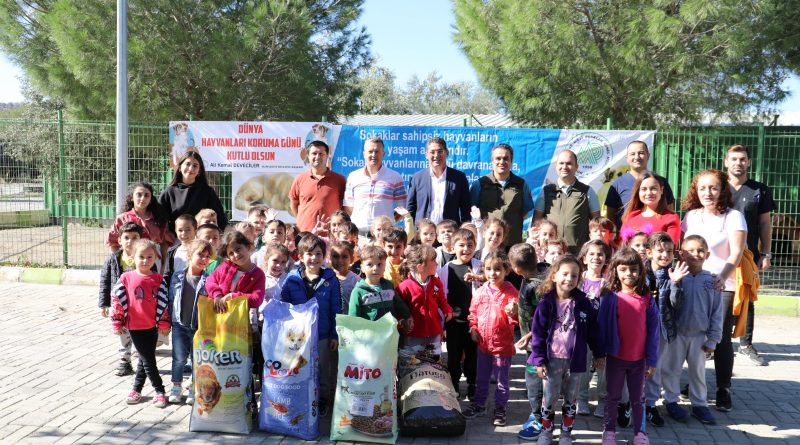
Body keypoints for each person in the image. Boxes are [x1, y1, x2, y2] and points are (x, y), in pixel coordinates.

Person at [681, 169, 747, 412]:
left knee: (719, 337)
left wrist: (723, 277)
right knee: (694, 335)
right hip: (692, 285)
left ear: (722, 190)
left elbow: (737, 252)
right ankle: (695, 383)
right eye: (702, 188)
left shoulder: (734, 217)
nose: (707, 193)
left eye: (713, 188)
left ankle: (723, 388)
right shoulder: (690, 217)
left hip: (722, 286)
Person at [530, 255, 604, 445]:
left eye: (574, 275)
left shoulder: (583, 302)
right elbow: (537, 333)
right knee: (549, 399)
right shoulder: (546, 303)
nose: (569, 279)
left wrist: (599, 353)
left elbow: (593, 330)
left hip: (575, 361)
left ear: (579, 279)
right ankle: (546, 432)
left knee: (571, 399)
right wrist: (539, 359)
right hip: (551, 361)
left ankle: (566, 433)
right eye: (564, 274)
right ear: (554, 275)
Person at [597, 248, 661, 445]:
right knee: (612, 397)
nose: (629, 274)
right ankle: (609, 432)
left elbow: (654, 331)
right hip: (615, 358)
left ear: (640, 271)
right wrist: (600, 353)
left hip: (639, 360)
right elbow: (601, 327)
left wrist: (652, 359)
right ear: (615, 270)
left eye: (633, 269)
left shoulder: (647, 298)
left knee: (638, 398)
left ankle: (640, 433)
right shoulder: (609, 296)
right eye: (623, 269)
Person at [661, 235, 722, 426]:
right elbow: (669, 303)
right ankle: (671, 400)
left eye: (701, 251)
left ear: (707, 255)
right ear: (681, 254)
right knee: (672, 369)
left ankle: (699, 404)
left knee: (698, 372)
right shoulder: (676, 277)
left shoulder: (712, 281)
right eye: (691, 250)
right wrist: (675, 283)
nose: (696, 254)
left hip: (699, 336)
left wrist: (713, 339)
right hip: (677, 334)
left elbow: (717, 312)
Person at [280, 234, 341, 416]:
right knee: (299, 368)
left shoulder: (331, 279)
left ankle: (322, 400)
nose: (314, 258)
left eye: (318, 254)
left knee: (323, 370)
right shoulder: (291, 279)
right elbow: (284, 307)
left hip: (322, 334)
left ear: (324, 256)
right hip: (298, 336)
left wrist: (334, 335)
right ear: (300, 256)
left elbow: (336, 308)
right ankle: (302, 398)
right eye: (309, 254)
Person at [725, 144, 774, 366]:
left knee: (746, 297)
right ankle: (713, 343)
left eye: (742, 159)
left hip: (747, 255)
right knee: (716, 297)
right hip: (719, 254)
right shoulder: (717, 187)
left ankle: (745, 345)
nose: (738, 163)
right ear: (726, 161)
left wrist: (766, 253)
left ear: (749, 162)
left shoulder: (759, 190)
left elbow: (765, 223)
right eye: (734, 159)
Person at [110, 239, 171, 408]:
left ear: (156, 258)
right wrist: (117, 321)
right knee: (148, 360)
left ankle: (136, 390)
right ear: (132, 257)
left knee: (145, 359)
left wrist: (164, 323)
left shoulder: (158, 279)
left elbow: (164, 303)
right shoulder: (126, 278)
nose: (145, 260)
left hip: (152, 326)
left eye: (150, 257)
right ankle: (160, 391)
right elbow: (117, 301)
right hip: (134, 326)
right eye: (141, 256)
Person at [463, 251, 519, 427]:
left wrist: (513, 312)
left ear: (506, 270)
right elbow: (472, 313)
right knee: (481, 377)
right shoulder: (480, 291)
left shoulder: (511, 292)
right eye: (488, 269)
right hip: (483, 344)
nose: (492, 273)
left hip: (502, 345)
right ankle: (479, 404)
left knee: (502, 380)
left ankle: (500, 408)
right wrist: (473, 327)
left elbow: (516, 316)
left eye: (497, 269)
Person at [642, 232, 683, 427]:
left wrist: (675, 283)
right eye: (660, 251)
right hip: (639, 329)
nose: (665, 255)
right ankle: (629, 402)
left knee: (653, 367)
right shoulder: (639, 272)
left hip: (661, 330)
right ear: (649, 252)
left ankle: (650, 404)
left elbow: (676, 304)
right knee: (635, 366)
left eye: (669, 251)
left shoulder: (673, 274)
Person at [437, 229, 483, 400]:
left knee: (472, 356)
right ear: (453, 246)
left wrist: (479, 277)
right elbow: (441, 298)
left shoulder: (479, 266)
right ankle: (454, 383)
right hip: (453, 322)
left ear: (475, 246)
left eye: (470, 245)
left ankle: (472, 384)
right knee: (453, 356)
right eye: (461, 245)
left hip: (474, 321)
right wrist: (442, 324)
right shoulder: (445, 269)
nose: (466, 249)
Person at [166, 239, 211, 404]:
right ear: (190, 255)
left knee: (197, 359)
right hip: (179, 324)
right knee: (179, 358)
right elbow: (171, 299)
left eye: (207, 256)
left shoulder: (208, 280)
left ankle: (194, 387)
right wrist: (167, 322)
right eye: (200, 254)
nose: (204, 259)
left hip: (198, 326)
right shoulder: (178, 276)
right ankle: (176, 386)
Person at [509, 243, 545, 441]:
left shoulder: (535, 287)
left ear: (516, 269)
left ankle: (538, 418)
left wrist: (530, 335)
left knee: (534, 380)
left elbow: (546, 316)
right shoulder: (544, 271)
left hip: (537, 344)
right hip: (538, 341)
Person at [534, 150, 601, 254]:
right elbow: (536, 223)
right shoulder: (546, 191)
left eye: (569, 163)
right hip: (552, 253)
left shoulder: (587, 191)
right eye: (561, 163)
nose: (564, 167)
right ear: (556, 166)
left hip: (578, 254)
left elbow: (596, 224)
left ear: (576, 167)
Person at [99, 222, 144, 377]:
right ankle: (125, 362)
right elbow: (105, 281)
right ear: (119, 240)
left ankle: (142, 364)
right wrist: (104, 304)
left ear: (141, 239)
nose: (130, 241)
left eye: (135, 237)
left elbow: (152, 280)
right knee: (122, 333)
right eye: (126, 238)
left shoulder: (144, 258)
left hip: (139, 305)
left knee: (140, 333)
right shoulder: (113, 259)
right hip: (120, 305)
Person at [470, 143, 534, 245]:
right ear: (492, 161)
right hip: (488, 243)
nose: (502, 162)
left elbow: (525, 211)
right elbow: (473, 212)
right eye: (498, 158)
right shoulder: (479, 184)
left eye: (505, 158)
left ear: (511, 161)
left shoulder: (522, 184)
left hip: (512, 243)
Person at [605, 141, 675, 230]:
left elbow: (670, 210)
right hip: (627, 236)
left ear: (648, 155)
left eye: (641, 153)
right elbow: (610, 217)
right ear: (627, 158)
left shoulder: (661, 182)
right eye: (632, 154)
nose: (637, 157)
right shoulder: (617, 185)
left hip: (656, 236)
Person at [576, 239, 611, 417]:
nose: (596, 257)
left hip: (602, 333)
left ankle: (603, 400)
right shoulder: (578, 280)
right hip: (582, 332)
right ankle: (581, 399)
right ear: (584, 258)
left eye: (600, 254)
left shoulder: (609, 283)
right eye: (591, 254)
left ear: (606, 259)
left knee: (603, 368)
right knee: (582, 366)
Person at [343, 137, 407, 236]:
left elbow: (402, 207)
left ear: (383, 154)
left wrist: (389, 223)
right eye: (370, 151)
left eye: (377, 151)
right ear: (364, 154)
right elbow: (348, 207)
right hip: (359, 235)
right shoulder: (353, 177)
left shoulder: (395, 177)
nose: (373, 155)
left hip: (384, 235)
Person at [397, 244, 453, 353]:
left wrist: (447, 309)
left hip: (434, 332)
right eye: (433, 260)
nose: (437, 263)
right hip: (413, 335)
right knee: (414, 361)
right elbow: (398, 308)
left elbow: (441, 300)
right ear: (420, 267)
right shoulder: (404, 286)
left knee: (432, 361)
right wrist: (403, 321)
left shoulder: (436, 283)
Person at [406, 137, 472, 225]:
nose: (436, 155)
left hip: (449, 231)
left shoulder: (459, 178)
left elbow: (466, 209)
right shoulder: (417, 178)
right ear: (426, 155)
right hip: (424, 232)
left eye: (440, 151)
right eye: (432, 152)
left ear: (447, 153)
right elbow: (410, 209)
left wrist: (465, 228)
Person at [159, 152, 228, 235]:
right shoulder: (169, 192)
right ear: (180, 168)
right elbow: (160, 219)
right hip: (177, 239)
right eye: (187, 164)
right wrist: (168, 237)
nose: (191, 168)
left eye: (195, 166)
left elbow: (219, 217)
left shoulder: (207, 192)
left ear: (199, 171)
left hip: (200, 238)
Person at [106, 182, 172, 264]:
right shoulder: (122, 218)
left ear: (150, 200)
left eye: (146, 195)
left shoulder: (158, 219)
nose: (142, 198)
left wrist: (163, 265)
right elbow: (113, 243)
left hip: (153, 261)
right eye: (139, 195)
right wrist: (116, 263)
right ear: (132, 197)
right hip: (129, 262)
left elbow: (164, 243)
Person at [289, 140, 347, 233]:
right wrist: (303, 220)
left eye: (321, 154)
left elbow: (345, 207)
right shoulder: (300, 179)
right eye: (314, 153)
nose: (317, 157)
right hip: (305, 234)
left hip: (330, 234)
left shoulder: (339, 180)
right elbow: (293, 204)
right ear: (308, 156)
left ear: (327, 156)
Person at [348, 245, 412, 327]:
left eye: (379, 264)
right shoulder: (358, 291)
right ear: (362, 268)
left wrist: (408, 316)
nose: (375, 268)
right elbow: (353, 316)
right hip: (370, 332)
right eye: (370, 264)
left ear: (385, 267)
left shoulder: (389, 286)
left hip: (390, 331)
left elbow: (399, 304)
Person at [620, 172, 681, 245]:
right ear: (638, 192)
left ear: (661, 190)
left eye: (653, 188)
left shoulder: (671, 218)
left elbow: (670, 248)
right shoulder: (630, 217)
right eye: (644, 189)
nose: (649, 193)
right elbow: (622, 246)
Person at [329, 240, 360, 311]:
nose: (340, 260)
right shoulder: (326, 277)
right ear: (330, 258)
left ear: (351, 259)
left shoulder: (356, 281)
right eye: (335, 256)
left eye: (344, 257)